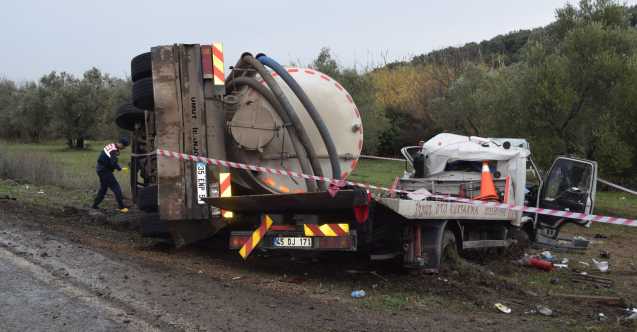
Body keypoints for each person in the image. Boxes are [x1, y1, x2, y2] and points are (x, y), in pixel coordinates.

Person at [92, 138, 130, 212]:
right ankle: (121, 207)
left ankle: (94, 205)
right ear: (120, 144)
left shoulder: (112, 145)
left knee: (103, 189)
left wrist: (118, 167)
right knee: (116, 187)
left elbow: (109, 159)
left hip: (100, 169)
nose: (124, 148)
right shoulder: (114, 150)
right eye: (124, 146)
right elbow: (113, 163)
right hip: (104, 171)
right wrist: (119, 168)